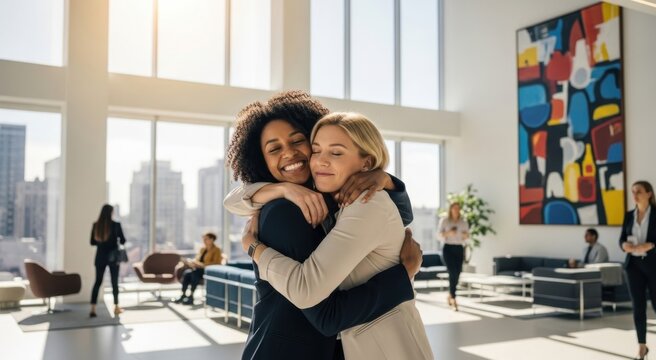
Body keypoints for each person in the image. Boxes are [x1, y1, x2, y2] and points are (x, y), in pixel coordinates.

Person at [226, 91, 422, 360]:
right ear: (260, 160)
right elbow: (326, 313)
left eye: (299, 141)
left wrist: (383, 178)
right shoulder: (285, 212)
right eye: (274, 149)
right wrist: (403, 275)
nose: (289, 153)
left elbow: (400, 215)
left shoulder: (331, 197)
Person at [619, 180, 656, 360]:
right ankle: (642, 347)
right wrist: (624, 246)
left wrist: (651, 245)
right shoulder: (629, 215)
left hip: (654, 266)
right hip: (633, 266)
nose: (635, 195)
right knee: (638, 307)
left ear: (649, 193)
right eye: (633, 192)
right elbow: (621, 239)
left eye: (639, 191)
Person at [89, 204, 126, 317]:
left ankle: (93, 309)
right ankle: (116, 307)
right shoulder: (116, 225)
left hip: (100, 257)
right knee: (114, 282)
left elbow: (92, 242)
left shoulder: (96, 225)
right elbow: (123, 240)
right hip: (113, 258)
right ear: (111, 213)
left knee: (97, 282)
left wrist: (101, 242)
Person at [437, 201, 469, 311]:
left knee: (458, 272)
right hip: (448, 249)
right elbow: (439, 235)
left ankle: (450, 295)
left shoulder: (463, 222)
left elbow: (467, 236)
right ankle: (454, 298)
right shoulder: (445, 221)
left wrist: (465, 235)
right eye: (454, 208)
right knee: (452, 272)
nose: (456, 210)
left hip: (459, 248)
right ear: (450, 209)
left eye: (458, 208)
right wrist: (448, 233)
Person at [174, 232, 222, 305]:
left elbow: (216, 263)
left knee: (194, 274)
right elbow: (197, 259)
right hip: (198, 269)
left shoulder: (217, 250)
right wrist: (192, 263)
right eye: (203, 239)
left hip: (207, 271)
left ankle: (191, 296)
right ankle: (183, 295)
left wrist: (202, 265)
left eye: (206, 239)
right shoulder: (202, 249)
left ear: (212, 239)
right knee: (187, 273)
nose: (204, 241)